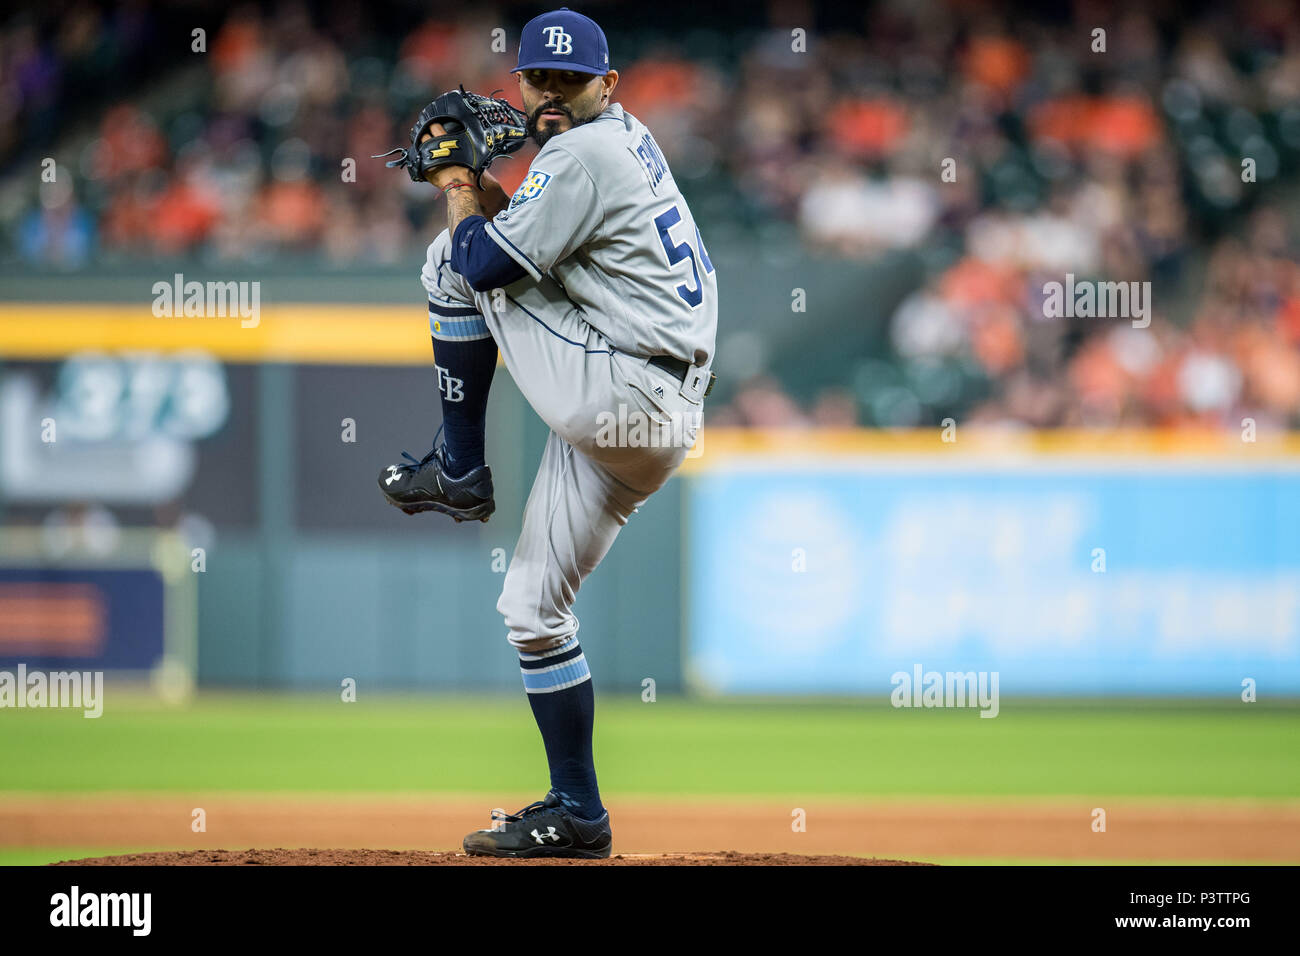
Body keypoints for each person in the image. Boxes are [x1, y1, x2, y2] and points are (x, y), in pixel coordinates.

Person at [377, 7, 718, 858]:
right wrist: (482, 196)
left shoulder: (581, 152)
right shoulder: (621, 141)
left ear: (609, 84)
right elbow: (528, 243)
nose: (555, 94)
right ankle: (579, 813)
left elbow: (484, 262)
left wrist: (459, 184)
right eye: (543, 79)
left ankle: (459, 467)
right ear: (522, 81)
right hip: (652, 411)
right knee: (532, 610)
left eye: (574, 81)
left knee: (447, 262)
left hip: (620, 387)